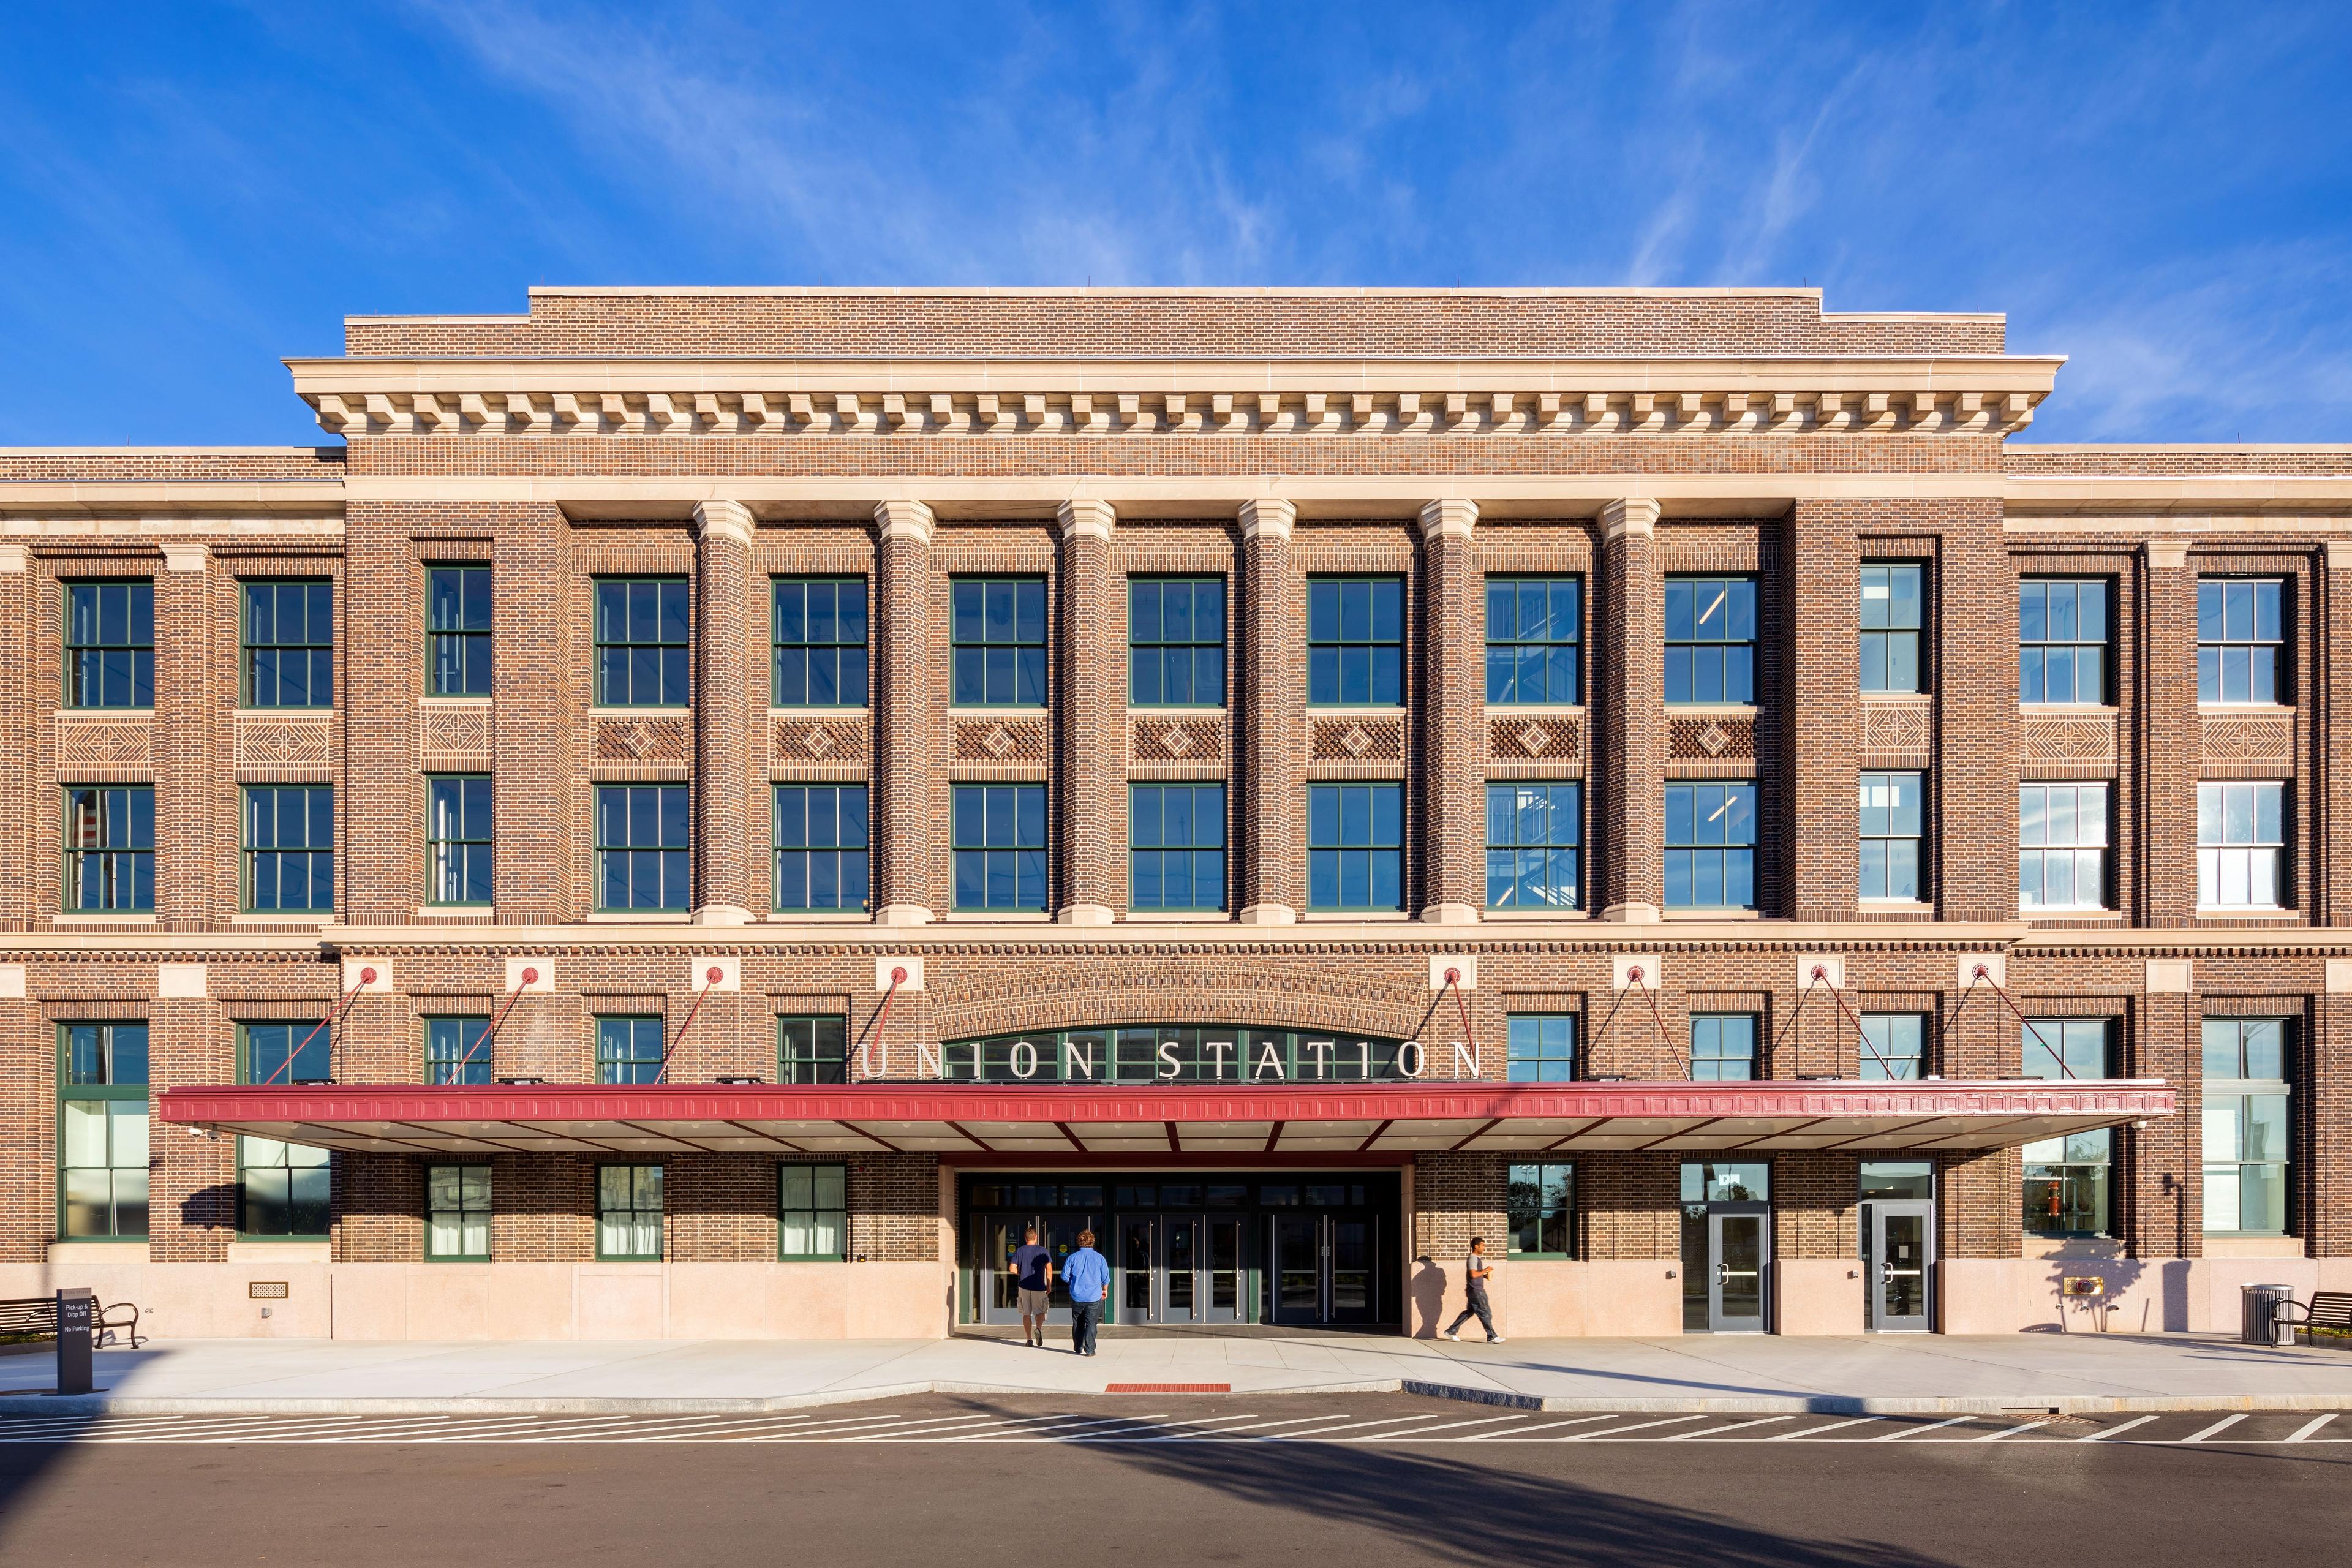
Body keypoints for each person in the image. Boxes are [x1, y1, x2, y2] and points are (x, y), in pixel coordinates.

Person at [1445, 1236, 1504, 1343]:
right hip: (1477, 1291)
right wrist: (1486, 1270)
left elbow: (1476, 1274)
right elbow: (1473, 1274)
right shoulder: (1473, 1258)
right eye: (1483, 1246)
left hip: (1473, 1290)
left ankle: (1452, 1330)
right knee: (1486, 1313)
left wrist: (1485, 1275)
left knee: (1469, 1312)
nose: (1484, 1248)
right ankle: (1492, 1336)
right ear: (1476, 1246)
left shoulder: (1476, 1259)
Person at [1061, 1228, 1110, 1356]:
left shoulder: (1072, 1258)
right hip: (1094, 1297)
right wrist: (1105, 1290)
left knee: (1078, 1323)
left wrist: (1073, 1283)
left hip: (1077, 1296)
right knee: (1091, 1323)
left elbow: (1065, 1276)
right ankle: (1090, 1350)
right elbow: (1106, 1278)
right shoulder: (1100, 1258)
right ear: (1092, 1241)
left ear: (1079, 1242)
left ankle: (1078, 1347)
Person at [1009, 1225, 1054, 1348]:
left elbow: (1012, 1269)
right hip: (1039, 1286)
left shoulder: (1019, 1251)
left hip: (1024, 1286)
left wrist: (1020, 1272)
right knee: (1040, 1312)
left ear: (1025, 1238)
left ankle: (1029, 1340)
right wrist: (1049, 1284)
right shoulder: (1043, 1251)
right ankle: (1038, 1329)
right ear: (1036, 1237)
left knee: (1026, 1314)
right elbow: (1049, 1269)